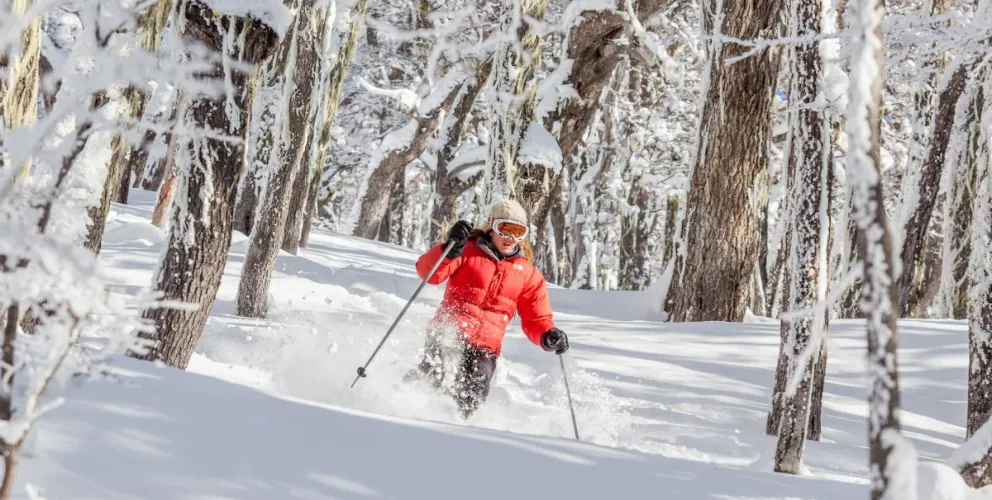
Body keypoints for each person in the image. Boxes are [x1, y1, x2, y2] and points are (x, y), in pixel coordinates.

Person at [405, 199, 569, 419]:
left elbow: (536, 317)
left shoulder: (528, 274)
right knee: (435, 375)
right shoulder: (467, 251)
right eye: (505, 229)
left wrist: (548, 335)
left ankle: (455, 432)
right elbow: (429, 273)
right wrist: (449, 250)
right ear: (492, 225)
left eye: (518, 232)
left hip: (485, 347)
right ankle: (404, 405)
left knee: (472, 394)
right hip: (450, 330)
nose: (511, 238)